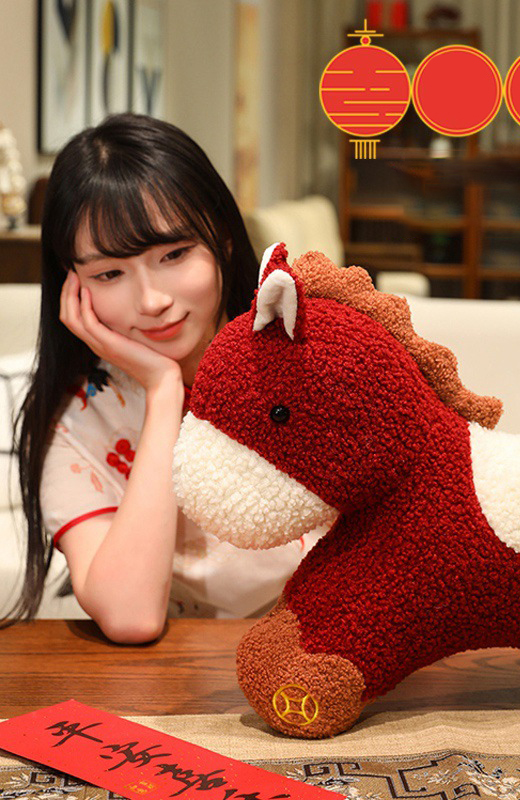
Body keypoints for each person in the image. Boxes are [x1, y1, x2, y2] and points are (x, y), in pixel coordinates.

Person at [1, 113, 322, 643]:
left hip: (341, 651)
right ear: (72, 285)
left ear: (221, 237)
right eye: (110, 273)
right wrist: (163, 391)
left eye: (174, 254)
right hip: (185, 673)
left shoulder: (315, 353)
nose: (152, 301)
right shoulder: (74, 421)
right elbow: (131, 616)